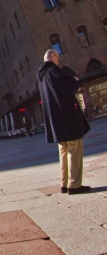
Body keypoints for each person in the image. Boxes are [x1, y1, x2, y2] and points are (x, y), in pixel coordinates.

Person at [38, 49, 91, 195]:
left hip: (57, 121)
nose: (58, 60)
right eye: (57, 57)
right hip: (67, 117)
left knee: (64, 151)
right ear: (52, 56)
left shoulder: (43, 76)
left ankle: (64, 183)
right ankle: (75, 185)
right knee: (75, 149)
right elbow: (67, 89)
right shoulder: (54, 71)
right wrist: (74, 81)